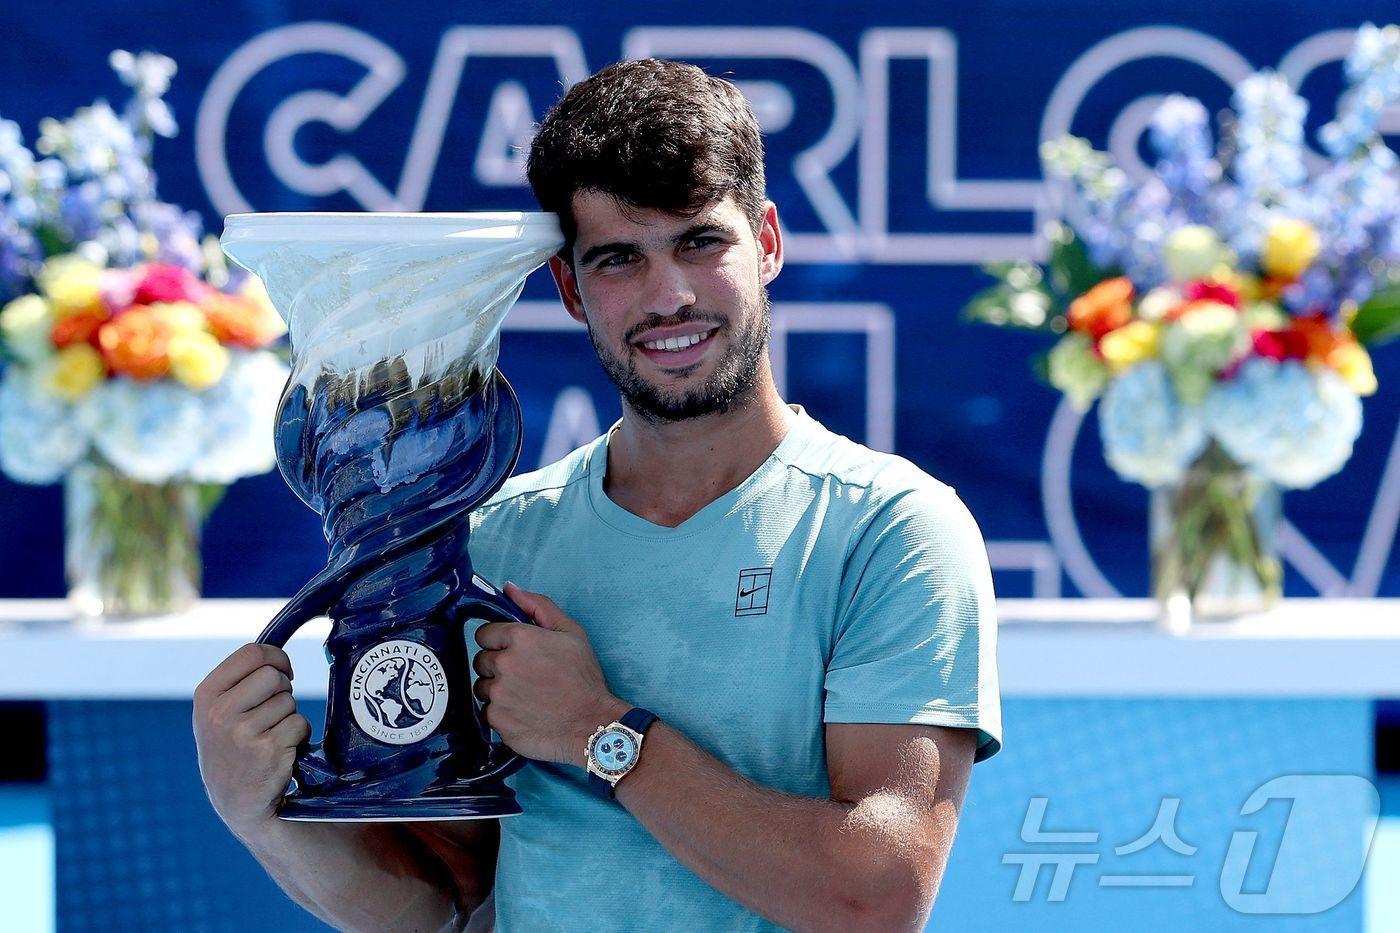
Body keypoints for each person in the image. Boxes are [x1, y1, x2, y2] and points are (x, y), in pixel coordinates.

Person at [193, 57, 1001, 932]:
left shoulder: (894, 528)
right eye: (620, 258)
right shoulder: (493, 543)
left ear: (766, 241)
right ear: (572, 289)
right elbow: (438, 906)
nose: (670, 296)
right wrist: (259, 814)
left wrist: (601, 731)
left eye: (700, 240)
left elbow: (877, 896)